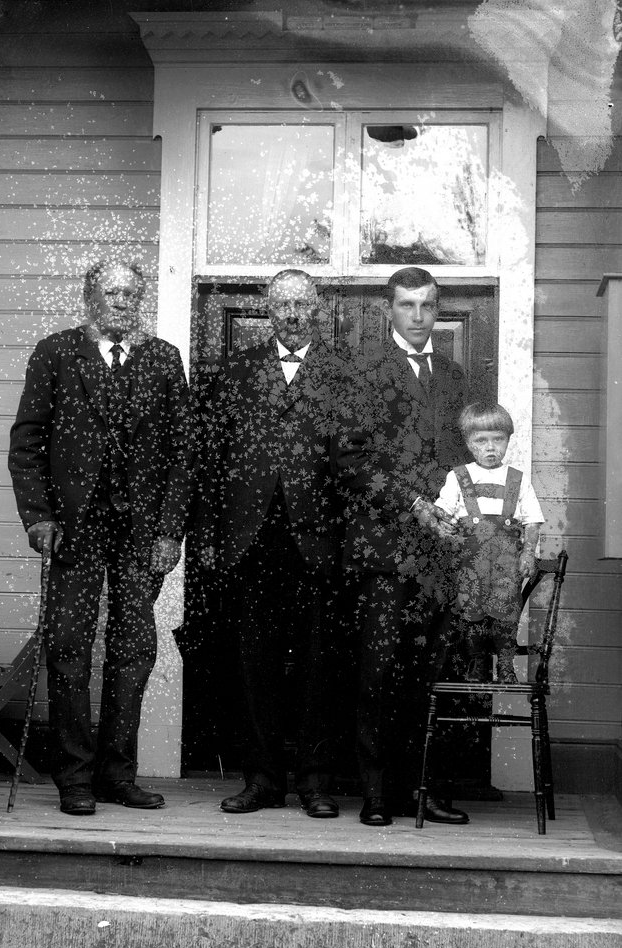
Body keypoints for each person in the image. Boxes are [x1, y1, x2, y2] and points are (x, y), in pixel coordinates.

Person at [8, 260, 194, 816]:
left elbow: (184, 452)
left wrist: (169, 531)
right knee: (69, 648)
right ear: (91, 297)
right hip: (74, 528)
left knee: (133, 650)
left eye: (131, 293)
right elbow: (27, 441)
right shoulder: (56, 352)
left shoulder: (162, 358)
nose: (122, 301)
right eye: (112, 292)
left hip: (140, 533)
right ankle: (74, 777)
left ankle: (117, 774)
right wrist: (39, 517)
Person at [197, 269, 347, 819]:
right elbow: (210, 458)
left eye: (302, 303)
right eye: (282, 303)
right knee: (253, 664)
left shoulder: (343, 374)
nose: (292, 313)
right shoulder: (237, 370)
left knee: (317, 667)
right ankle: (261, 781)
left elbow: (357, 462)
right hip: (250, 540)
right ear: (268, 308)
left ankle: (315, 782)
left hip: (318, 542)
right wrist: (207, 536)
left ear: (317, 308)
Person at [333, 266, 472, 827]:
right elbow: (349, 459)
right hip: (384, 550)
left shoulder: (457, 378)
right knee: (379, 671)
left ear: (439, 309)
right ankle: (376, 793)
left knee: (429, 674)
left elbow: (470, 458)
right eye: (407, 305)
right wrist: (414, 504)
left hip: (440, 554)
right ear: (387, 309)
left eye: (428, 305)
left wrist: (462, 514)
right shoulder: (362, 370)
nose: (418, 316)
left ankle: (423, 790)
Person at [434, 402, 545, 684]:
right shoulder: (458, 477)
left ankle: (506, 666)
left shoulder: (518, 479)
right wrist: (442, 526)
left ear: (508, 440)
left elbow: (532, 521)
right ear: (469, 443)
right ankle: (477, 663)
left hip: (507, 564)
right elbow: (442, 515)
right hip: (469, 563)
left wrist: (528, 554)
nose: (490, 447)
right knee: (471, 612)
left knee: (506, 614)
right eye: (481, 440)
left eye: (498, 439)